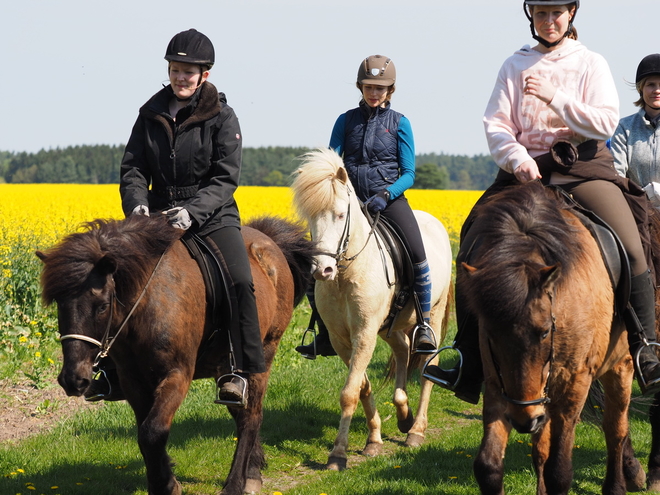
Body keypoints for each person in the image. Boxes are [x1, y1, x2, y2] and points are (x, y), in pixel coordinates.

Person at [424, 0, 660, 403]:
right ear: (531, 16)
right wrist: (517, 159)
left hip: (581, 167)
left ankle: (647, 349)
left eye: (556, 13)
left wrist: (555, 97)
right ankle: (467, 358)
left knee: (632, 243)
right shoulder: (514, 65)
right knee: (473, 240)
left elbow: (604, 122)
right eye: (541, 14)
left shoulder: (590, 62)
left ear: (571, 14)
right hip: (525, 171)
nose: (549, 21)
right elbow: (497, 124)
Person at [118, 28, 266, 406]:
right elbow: (133, 168)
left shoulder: (223, 117)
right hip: (155, 213)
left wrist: (192, 212)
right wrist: (136, 204)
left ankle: (239, 368)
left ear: (205, 74)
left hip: (211, 214)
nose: (181, 77)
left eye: (190, 71)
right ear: (168, 70)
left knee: (239, 280)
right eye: (176, 69)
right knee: (112, 273)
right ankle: (111, 369)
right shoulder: (149, 114)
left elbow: (225, 178)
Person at [295, 54, 437, 358]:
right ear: (360, 87)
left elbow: (409, 173)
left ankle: (424, 325)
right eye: (369, 87)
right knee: (314, 260)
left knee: (418, 255)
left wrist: (387, 194)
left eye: (380, 88)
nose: (374, 93)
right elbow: (331, 162)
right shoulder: (345, 120)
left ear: (390, 90)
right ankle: (322, 330)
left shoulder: (400, 123)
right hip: (349, 204)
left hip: (388, 200)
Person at [611, 54, 660, 207]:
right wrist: (642, 195)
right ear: (641, 89)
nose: (656, 90)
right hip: (637, 209)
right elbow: (616, 173)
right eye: (650, 85)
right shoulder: (624, 127)